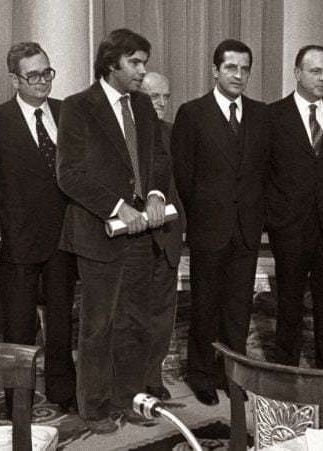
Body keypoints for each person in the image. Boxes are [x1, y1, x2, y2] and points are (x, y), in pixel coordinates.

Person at [56, 28, 171, 434]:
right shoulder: (77, 107)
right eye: (135, 63)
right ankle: (96, 407)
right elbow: (68, 174)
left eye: (144, 62)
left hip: (141, 233)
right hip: (98, 233)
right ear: (111, 64)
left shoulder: (141, 106)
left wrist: (155, 195)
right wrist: (118, 205)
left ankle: (131, 398)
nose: (143, 71)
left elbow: (157, 158)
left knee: (134, 323)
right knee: (98, 326)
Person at [0, 42, 78, 413]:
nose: (42, 81)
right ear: (14, 79)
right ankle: (18, 397)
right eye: (33, 75)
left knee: (62, 320)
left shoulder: (68, 112)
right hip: (17, 243)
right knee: (18, 326)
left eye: (47, 72)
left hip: (63, 240)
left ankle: (62, 390)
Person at [172, 39, 269, 406]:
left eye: (245, 69)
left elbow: (264, 172)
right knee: (205, 307)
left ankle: (232, 375)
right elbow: (184, 175)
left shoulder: (261, 115)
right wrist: (202, 215)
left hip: (246, 230)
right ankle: (201, 375)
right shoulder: (192, 113)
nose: (239, 75)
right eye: (231, 68)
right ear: (215, 70)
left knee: (238, 308)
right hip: (208, 229)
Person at [266, 45, 323, 369]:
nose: (322, 78)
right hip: (289, 226)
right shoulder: (273, 117)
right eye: (315, 71)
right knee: (289, 300)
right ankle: (285, 366)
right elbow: (263, 174)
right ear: (297, 73)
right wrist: (273, 220)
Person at [139, 72, 183, 401]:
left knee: (162, 315)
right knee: (130, 316)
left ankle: (153, 377)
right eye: (155, 96)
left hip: (168, 237)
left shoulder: (174, 134)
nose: (161, 104)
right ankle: (128, 382)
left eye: (165, 97)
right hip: (133, 240)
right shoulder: (126, 134)